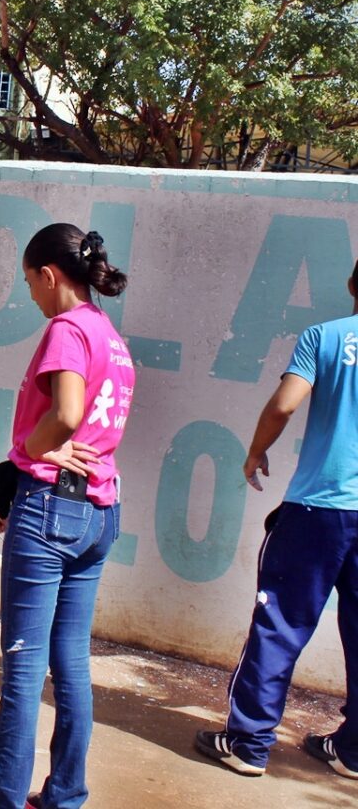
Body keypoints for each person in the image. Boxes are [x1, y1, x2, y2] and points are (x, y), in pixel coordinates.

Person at [0, 223, 134, 809]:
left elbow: (64, 416)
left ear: (49, 275)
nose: (31, 297)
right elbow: (94, 426)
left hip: (51, 512)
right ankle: (65, 795)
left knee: (22, 663)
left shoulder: (67, 329)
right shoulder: (109, 335)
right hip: (98, 511)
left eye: (29, 284)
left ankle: (1, 800)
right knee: (71, 665)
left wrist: (30, 453)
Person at [195, 258, 358, 780]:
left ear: (353, 284)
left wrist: (256, 450)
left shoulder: (324, 337)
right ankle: (353, 752)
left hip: (319, 510)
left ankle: (248, 743)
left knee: (279, 624)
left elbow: (285, 405)